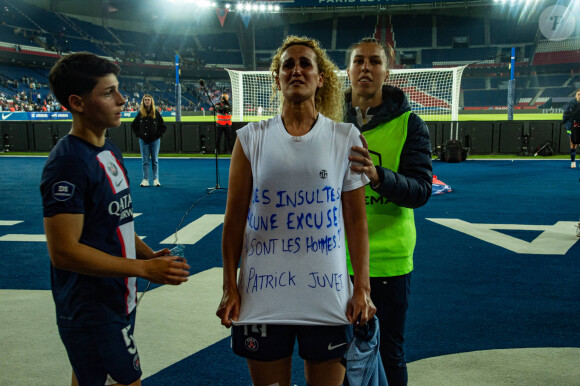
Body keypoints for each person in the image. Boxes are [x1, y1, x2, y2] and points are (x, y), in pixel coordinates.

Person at [216, 35, 376, 386]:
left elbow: (355, 220)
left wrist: (362, 287)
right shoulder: (249, 139)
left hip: (328, 297)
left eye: (306, 64)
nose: (297, 70)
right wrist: (229, 283)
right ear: (277, 78)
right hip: (262, 299)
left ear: (321, 78)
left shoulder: (345, 137)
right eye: (288, 65)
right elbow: (234, 221)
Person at [40, 52, 190, 386]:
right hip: (91, 307)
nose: (122, 100)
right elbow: (63, 251)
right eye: (108, 93)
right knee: (126, 380)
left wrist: (148, 255)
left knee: (89, 377)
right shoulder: (68, 164)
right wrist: (142, 269)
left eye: (118, 90)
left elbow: (117, 222)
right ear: (77, 103)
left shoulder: (109, 150)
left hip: (116, 295)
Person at [344, 37, 433, 386]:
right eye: (359, 61)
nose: (366, 67)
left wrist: (378, 176)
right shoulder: (325, 122)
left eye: (375, 61)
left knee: (388, 353)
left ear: (387, 70)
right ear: (347, 70)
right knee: (329, 355)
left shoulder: (411, 124)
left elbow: (421, 191)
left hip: (387, 260)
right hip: (332, 258)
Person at [131, 94, 167, 186]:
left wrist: (158, 135)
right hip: (143, 141)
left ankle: (156, 180)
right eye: (145, 99)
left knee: (155, 161)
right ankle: (145, 180)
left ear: (151, 101)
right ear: (143, 101)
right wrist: (139, 135)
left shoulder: (156, 112)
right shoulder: (140, 114)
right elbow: (133, 125)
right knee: (145, 161)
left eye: (149, 100)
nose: (147, 101)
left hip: (155, 141)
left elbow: (163, 126)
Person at [562, 89, 580, 168]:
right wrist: (569, 127)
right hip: (573, 128)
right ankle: (573, 161)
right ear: (575, 95)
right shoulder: (570, 105)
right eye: (578, 94)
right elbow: (565, 117)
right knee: (573, 145)